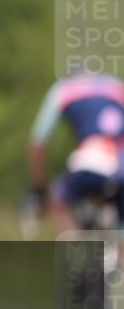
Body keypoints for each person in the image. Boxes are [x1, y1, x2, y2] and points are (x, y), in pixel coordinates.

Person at [29, 71, 124, 232]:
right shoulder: (117, 86)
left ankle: (79, 248)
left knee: (58, 200)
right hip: (120, 168)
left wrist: (40, 191)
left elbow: (38, 143)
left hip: (91, 161)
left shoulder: (63, 88)